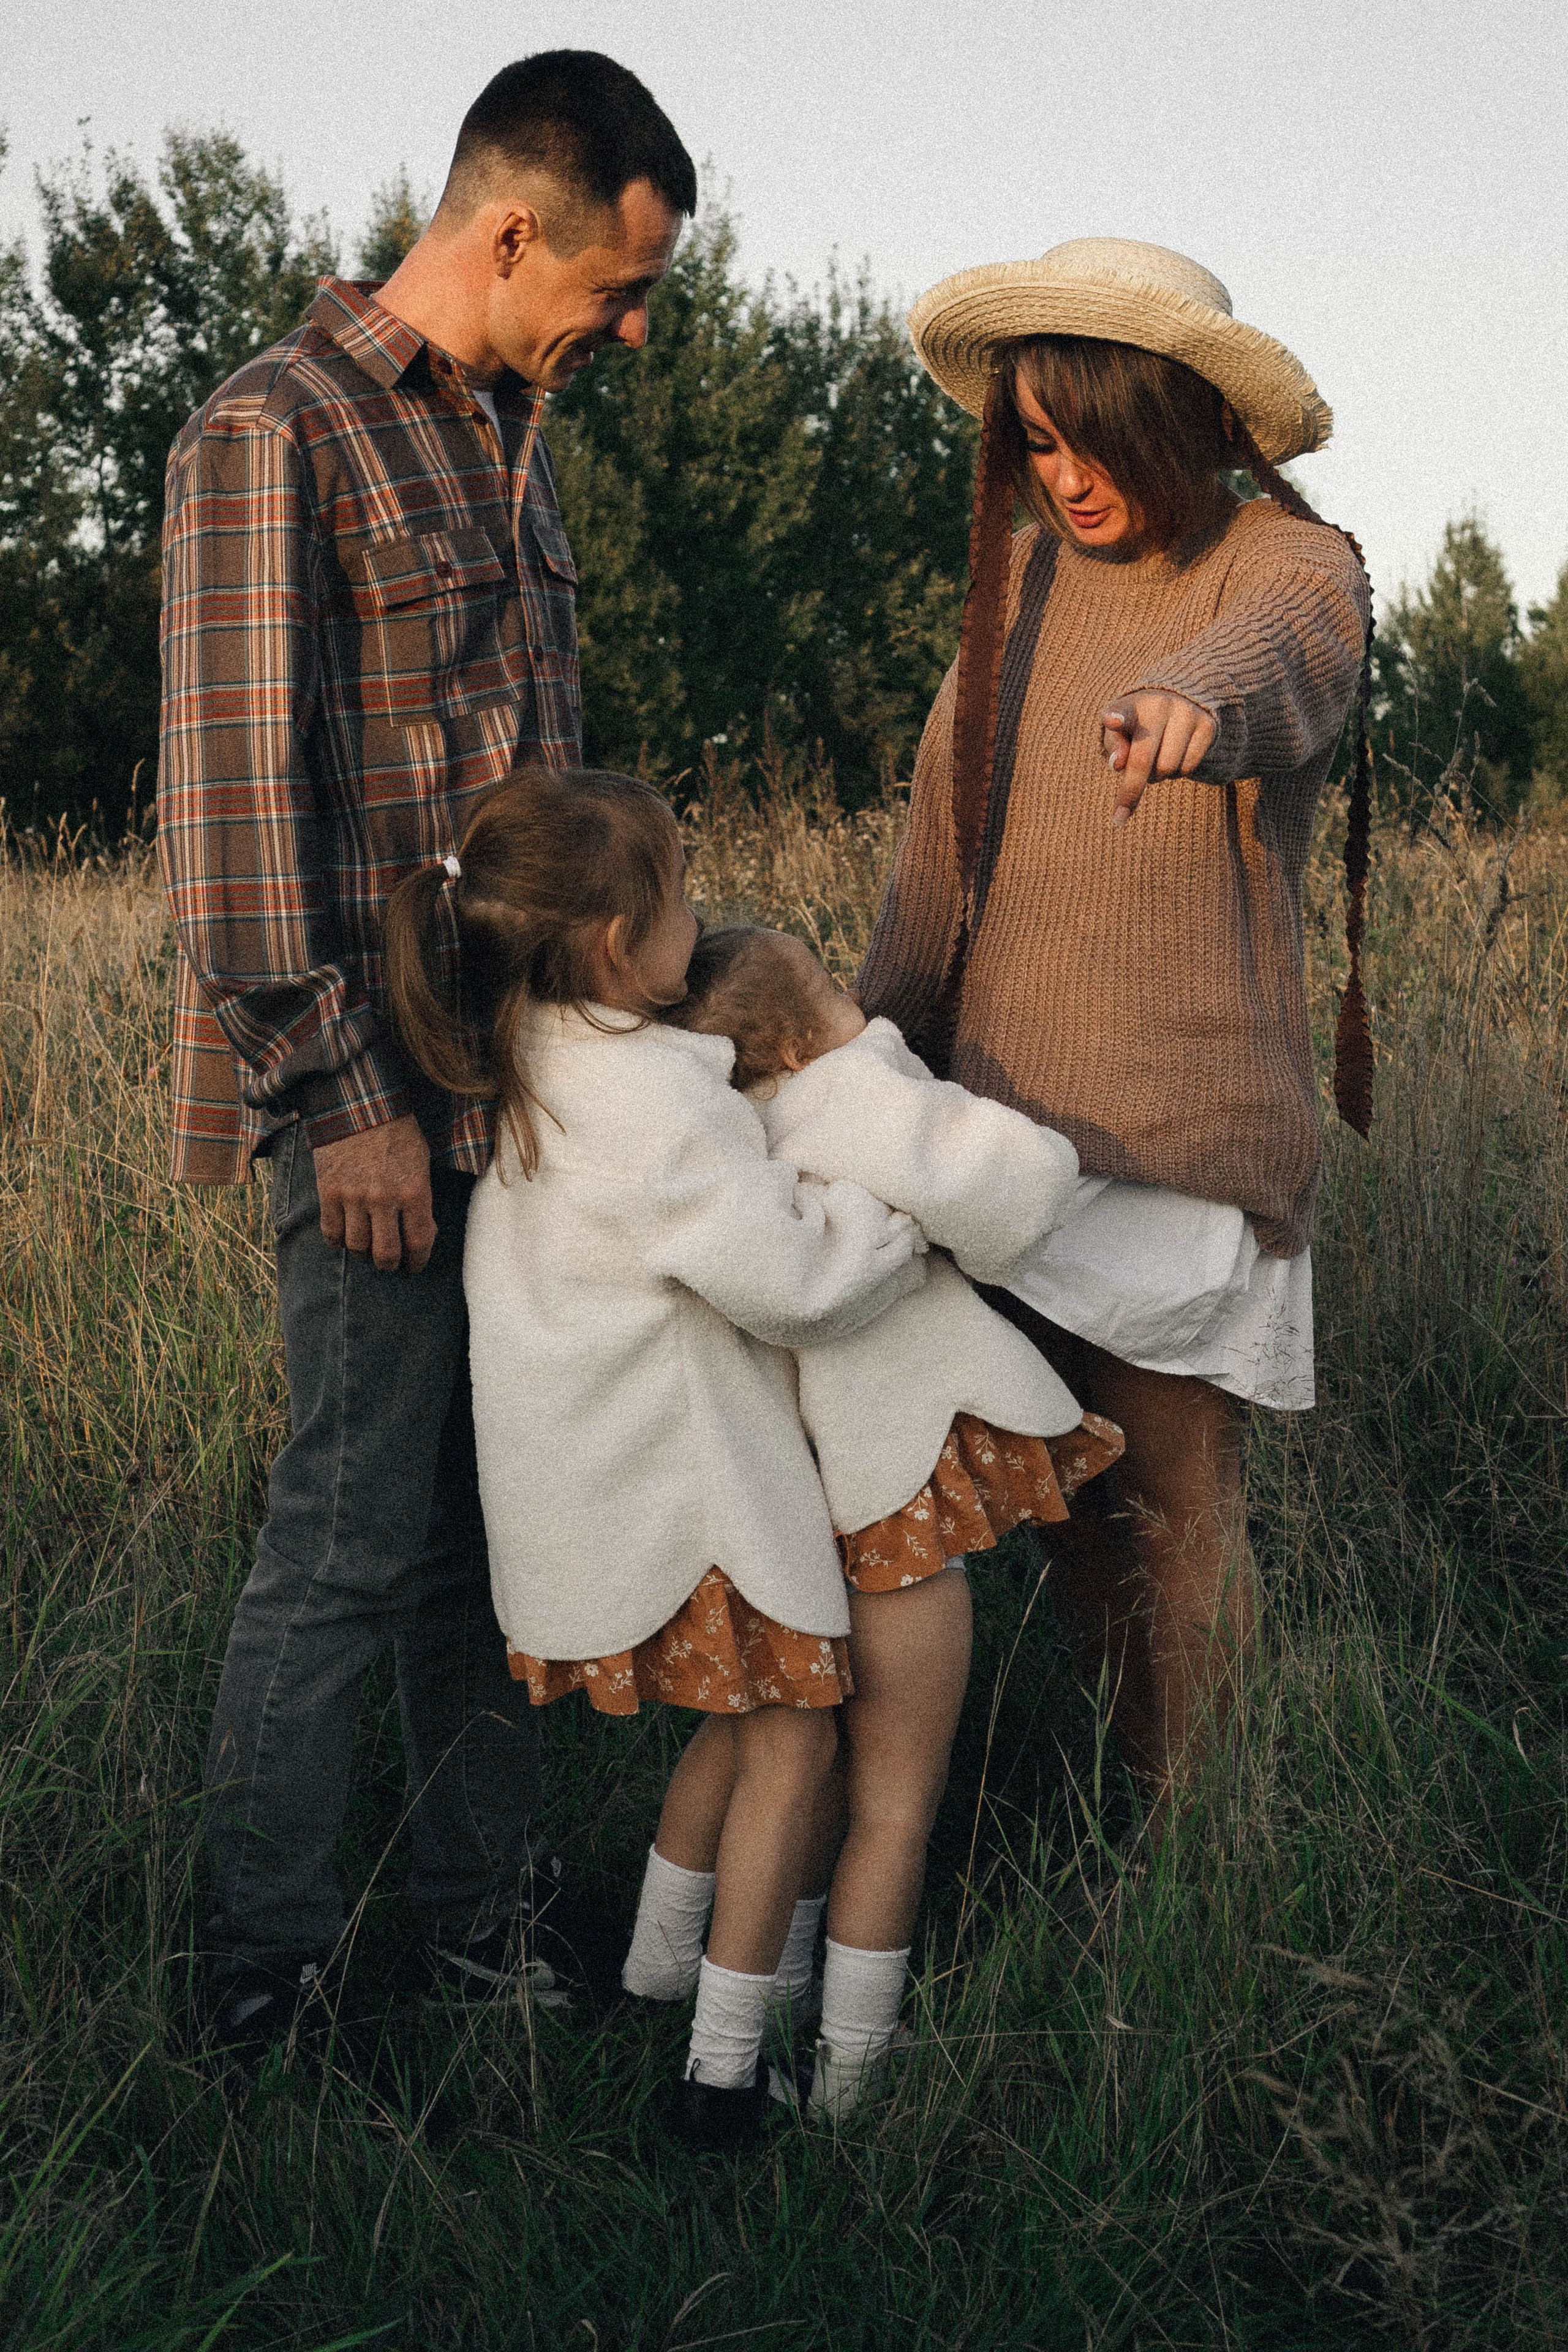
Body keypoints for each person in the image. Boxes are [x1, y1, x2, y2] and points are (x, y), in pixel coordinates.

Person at [156, 51, 697, 2057]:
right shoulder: (271, 435)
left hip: (525, 1106)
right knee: (352, 1533)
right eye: (620, 289)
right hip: (366, 1107)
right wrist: (339, 1098)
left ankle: (487, 1940)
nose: (631, 333)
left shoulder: (516, 447)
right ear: (509, 231)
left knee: (506, 1522)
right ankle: (266, 1985)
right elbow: (226, 823)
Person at [855, 239, 1372, 1812]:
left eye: (1093, 435)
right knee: (1066, 1512)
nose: (1064, 475)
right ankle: (1125, 1811)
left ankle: (1199, 1856)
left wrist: (1189, 710)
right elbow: (935, 868)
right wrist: (853, 1061)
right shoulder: (1004, 594)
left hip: (1175, 1139)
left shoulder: (1281, 563)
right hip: (996, 1138)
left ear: (1184, 422)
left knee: (1173, 1504)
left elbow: (1276, 667)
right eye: (1035, 439)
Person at [383, 769, 932, 2151]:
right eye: (682, 893)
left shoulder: (528, 1059)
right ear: (624, 943)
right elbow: (795, 1285)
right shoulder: (654, 1104)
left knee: (736, 1728)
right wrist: (895, 1226)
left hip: (598, 1492)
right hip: (691, 1499)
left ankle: (651, 1972)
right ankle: (721, 2074)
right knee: (796, 1737)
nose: (703, 911)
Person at [620, 924, 1123, 2116]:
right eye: (842, 992)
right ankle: (848, 2078)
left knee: (761, 1749)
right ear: (795, 1045)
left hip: (784, 1515)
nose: (867, 1003)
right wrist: (893, 1060)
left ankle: (660, 1971)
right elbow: (1016, 1188)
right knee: (897, 1797)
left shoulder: (733, 1160)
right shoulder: (854, 1100)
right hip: (890, 1511)